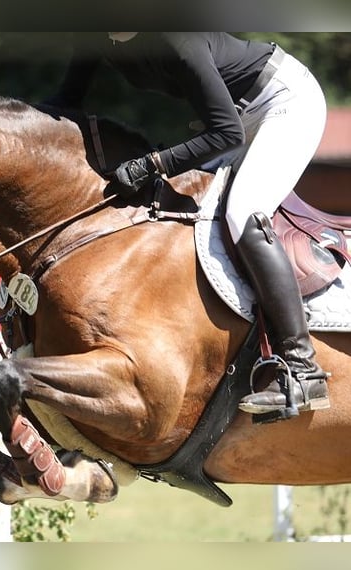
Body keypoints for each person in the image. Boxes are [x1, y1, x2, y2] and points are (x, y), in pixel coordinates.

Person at [47, 32, 329, 419]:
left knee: (242, 211)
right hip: (234, 118)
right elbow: (65, 103)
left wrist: (154, 164)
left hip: (283, 103)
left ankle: (302, 369)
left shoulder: (178, 39)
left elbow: (226, 133)